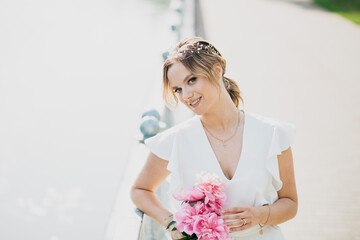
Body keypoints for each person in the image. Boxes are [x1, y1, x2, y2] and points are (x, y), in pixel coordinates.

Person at [131, 37, 298, 240]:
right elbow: (140, 190)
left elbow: (290, 202)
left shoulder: (272, 134)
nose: (186, 95)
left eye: (191, 80)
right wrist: (173, 225)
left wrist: (259, 215)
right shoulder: (176, 140)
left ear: (217, 71)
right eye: (178, 89)